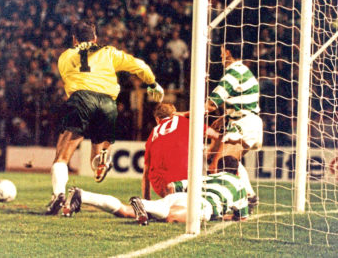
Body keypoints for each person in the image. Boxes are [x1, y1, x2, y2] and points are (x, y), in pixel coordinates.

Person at [46, 21, 165, 215]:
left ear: (74, 39)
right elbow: (139, 65)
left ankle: (58, 195)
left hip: (82, 99)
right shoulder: (109, 52)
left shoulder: (66, 56)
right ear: (95, 38)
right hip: (108, 104)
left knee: (62, 155)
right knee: (97, 153)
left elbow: (69, 82)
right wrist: (152, 84)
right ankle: (101, 160)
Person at [61, 156, 249, 225]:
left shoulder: (207, 177)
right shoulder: (239, 185)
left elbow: (172, 186)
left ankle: (83, 195)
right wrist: (224, 216)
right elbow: (242, 217)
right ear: (237, 171)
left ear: (219, 169)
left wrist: (171, 196)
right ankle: (144, 206)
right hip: (202, 205)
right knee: (171, 217)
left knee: (127, 211)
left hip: (181, 196)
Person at [205, 44, 263, 213]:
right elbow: (242, 100)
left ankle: (244, 201)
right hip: (240, 122)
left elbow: (211, 104)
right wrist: (224, 118)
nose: (221, 55)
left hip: (245, 123)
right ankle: (249, 196)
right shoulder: (242, 70)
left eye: (222, 52)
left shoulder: (234, 72)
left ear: (228, 52)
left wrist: (187, 115)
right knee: (214, 158)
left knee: (223, 162)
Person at [143, 103, 220, 200]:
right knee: (200, 149)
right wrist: (212, 150)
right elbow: (217, 136)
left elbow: (146, 174)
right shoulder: (188, 122)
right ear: (174, 114)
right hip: (187, 184)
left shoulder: (153, 134)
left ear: (157, 119)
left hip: (162, 188)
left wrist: (146, 202)